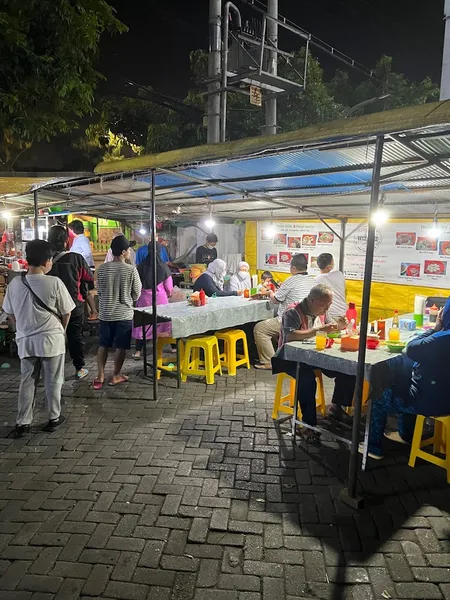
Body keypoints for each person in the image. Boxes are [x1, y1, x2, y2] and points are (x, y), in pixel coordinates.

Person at [2, 240, 75, 438]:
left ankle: (23, 422)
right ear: (47, 261)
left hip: (26, 340)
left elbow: (9, 313)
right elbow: (67, 312)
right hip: (52, 340)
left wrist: (23, 327)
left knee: (27, 381)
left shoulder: (15, 283)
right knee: (53, 381)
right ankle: (53, 417)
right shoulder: (54, 283)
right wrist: (62, 330)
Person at [365, 298, 450, 459]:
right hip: (445, 397)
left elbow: (410, 348)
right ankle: (406, 435)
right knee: (406, 379)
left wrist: (435, 328)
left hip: (432, 404)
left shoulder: (442, 339)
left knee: (379, 394)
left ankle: (373, 448)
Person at [274, 284, 354, 443]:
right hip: (290, 357)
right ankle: (308, 425)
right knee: (306, 379)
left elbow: (329, 329)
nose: (327, 307)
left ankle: (337, 407)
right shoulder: (292, 312)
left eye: (330, 304)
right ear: (312, 300)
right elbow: (289, 336)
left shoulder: (323, 311)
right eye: (324, 304)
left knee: (349, 368)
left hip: (316, 355)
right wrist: (319, 330)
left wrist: (339, 327)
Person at [94, 236, 142, 389]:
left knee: (103, 344)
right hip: (123, 314)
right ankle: (116, 375)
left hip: (105, 313)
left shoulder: (101, 269)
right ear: (123, 252)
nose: (129, 252)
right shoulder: (130, 269)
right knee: (120, 346)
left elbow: (99, 291)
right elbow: (137, 293)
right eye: (128, 249)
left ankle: (100, 376)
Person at [47, 226, 94, 379]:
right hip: (74, 305)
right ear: (67, 240)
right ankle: (79, 368)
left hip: (50, 306)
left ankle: (51, 370)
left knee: (52, 337)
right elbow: (89, 278)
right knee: (75, 337)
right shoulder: (76, 258)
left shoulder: (44, 259)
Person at [254, 254, 315, 369]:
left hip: (290, 322)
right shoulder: (313, 281)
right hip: (309, 322)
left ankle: (270, 362)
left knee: (260, 328)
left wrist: (270, 293)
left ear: (294, 268)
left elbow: (276, 300)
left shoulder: (291, 280)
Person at [132, 242, 174, 360]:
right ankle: (173, 346)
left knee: (143, 324)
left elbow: (136, 286)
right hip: (160, 300)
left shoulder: (140, 267)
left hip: (144, 299)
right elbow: (169, 288)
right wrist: (169, 294)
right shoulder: (164, 267)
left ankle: (138, 351)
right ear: (159, 251)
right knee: (165, 322)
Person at [314, 253, 347, 319]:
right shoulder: (339, 274)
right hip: (344, 313)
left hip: (328, 316)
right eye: (333, 262)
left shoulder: (316, 280)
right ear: (329, 267)